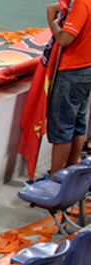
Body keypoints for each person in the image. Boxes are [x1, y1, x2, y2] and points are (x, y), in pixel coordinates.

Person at [46, 0, 91, 175]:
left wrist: (53, 22)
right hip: (87, 68)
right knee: (78, 123)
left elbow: (65, 39)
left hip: (73, 70)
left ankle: (55, 179)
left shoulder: (82, 3)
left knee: (62, 127)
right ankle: (71, 172)